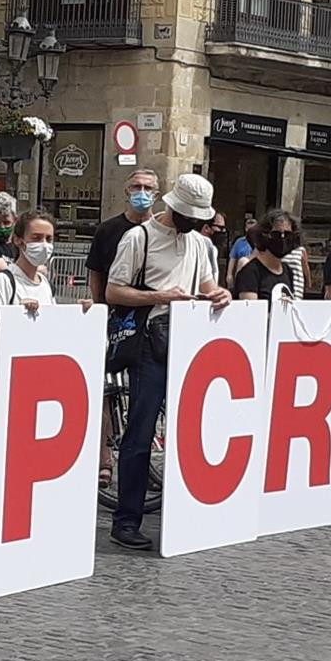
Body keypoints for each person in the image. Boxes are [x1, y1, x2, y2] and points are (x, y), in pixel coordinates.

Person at [104, 174, 231, 551]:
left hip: (187, 340)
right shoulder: (138, 237)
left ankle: (189, 513)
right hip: (149, 342)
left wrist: (219, 294)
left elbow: (209, 286)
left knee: (192, 427)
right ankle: (126, 520)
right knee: (140, 432)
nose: (197, 224)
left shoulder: (196, 243)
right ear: (174, 208)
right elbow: (113, 290)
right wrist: (162, 296)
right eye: (191, 217)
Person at [87, 169, 157, 305]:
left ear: (156, 195)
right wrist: (98, 305)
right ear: (127, 192)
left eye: (148, 188)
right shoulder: (107, 229)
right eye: (136, 187)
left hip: (151, 309)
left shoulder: (161, 231)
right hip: (115, 308)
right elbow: (96, 271)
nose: (142, 192)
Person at [0, 210, 63, 311]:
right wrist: (17, 311)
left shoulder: (46, 284)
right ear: (18, 240)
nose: (44, 245)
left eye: (49, 239)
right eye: (36, 238)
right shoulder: (3, 281)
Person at [232, 209, 305, 301]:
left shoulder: (287, 271)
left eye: (288, 235)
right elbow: (250, 311)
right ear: (265, 235)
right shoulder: (250, 272)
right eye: (276, 234)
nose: (282, 239)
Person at [227, 215, 258, 288]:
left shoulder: (260, 242)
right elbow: (232, 258)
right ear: (246, 229)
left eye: (253, 228)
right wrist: (229, 274)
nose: (251, 231)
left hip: (255, 275)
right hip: (240, 275)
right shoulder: (239, 242)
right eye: (249, 228)